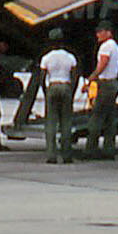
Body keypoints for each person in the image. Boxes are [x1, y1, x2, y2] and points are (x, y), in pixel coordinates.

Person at [38, 29, 80, 164]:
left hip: (53, 86)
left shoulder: (46, 57)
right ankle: (67, 155)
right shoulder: (70, 57)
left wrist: (46, 91)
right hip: (66, 86)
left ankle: (51, 155)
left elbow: (42, 78)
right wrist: (71, 91)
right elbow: (75, 76)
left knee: (51, 123)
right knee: (66, 122)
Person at [82, 23, 118, 160]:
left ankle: (91, 150)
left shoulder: (106, 47)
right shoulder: (115, 47)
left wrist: (90, 79)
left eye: (100, 32)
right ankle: (109, 150)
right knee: (110, 119)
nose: (97, 34)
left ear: (108, 32)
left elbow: (102, 64)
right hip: (113, 83)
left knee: (97, 117)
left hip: (105, 84)